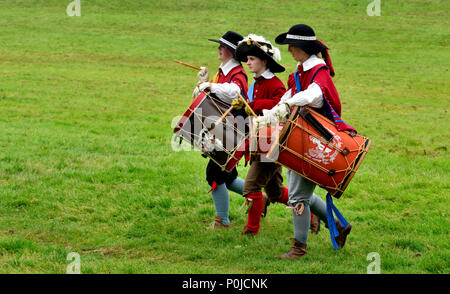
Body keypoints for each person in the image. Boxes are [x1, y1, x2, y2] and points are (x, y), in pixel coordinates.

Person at [256, 24, 354, 258]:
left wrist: (288, 104)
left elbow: (314, 95)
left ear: (304, 48)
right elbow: (291, 95)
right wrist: (271, 113)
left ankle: (299, 248)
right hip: (300, 137)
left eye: (293, 46)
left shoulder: (318, 71)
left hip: (315, 141)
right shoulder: (301, 71)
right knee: (302, 192)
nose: (289, 50)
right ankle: (339, 225)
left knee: (298, 196)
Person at [232, 35, 290, 236]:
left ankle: (251, 231)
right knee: (274, 192)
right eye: (247, 59)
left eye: (252, 59)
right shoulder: (254, 85)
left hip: (272, 142)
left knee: (250, 188)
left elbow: (281, 107)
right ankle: (309, 213)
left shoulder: (276, 84)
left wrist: (252, 106)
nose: (247, 63)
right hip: (259, 141)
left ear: (264, 61)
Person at [192, 31, 249, 229]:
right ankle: (260, 196)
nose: (218, 49)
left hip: (235, 131)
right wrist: (203, 82)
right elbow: (212, 98)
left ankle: (222, 221)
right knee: (228, 175)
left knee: (214, 174)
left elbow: (234, 92)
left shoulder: (238, 73)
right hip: (222, 130)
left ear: (232, 52)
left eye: (222, 46)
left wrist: (209, 85)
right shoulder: (223, 71)